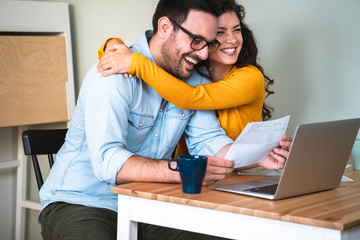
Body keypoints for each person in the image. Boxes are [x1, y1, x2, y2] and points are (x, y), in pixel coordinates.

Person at [39, 0, 291, 239]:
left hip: (144, 204)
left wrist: (255, 155)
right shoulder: (113, 73)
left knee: (227, 236)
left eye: (209, 44)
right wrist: (181, 171)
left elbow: (208, 141)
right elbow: (107, 162)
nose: (204, 54)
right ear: (165, 27)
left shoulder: (195, 78)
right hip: (79, 203)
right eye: (196, 41)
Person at [97, 0, 274, 158]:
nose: (232, 40)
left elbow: (190, 98)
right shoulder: (187, 72)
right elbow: (161, 49)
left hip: (240, 168)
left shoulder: (250, 77)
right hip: (193, 176)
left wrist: (137, 62)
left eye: (237, 30)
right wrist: (113, 45)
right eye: (220, 33)